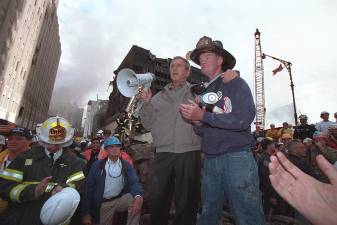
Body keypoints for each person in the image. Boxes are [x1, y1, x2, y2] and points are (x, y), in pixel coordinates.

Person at [180, 36, 265, 225]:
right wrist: (197, 123)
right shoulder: (201, 94)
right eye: (200, 57)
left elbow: (243, 119)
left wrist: (202, 117)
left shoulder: (235, 83)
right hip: (210, 159)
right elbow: (206, 130)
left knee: (247, 214)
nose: (202, 60)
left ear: (220, 60)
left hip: (237, 158)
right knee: (208, 213)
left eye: (207, 56)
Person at [139, 56, 202, 225]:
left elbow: (207, 119)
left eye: (179, 66)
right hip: (163, 152)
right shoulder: (158, 97)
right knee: (157, 198)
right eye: (172, 66)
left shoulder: (197, 93)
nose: (174, 69)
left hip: (189, 152)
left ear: (187, 72)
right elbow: (146, 123)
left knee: (186, 201)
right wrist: (146, 103)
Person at [0, 116, 86, 225]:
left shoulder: (74, 162)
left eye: (57, 142)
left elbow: (79, 184)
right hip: (23, 218)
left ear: (65, 141)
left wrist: (64, 189)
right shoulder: (24, 158)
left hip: (56, 219)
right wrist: (33, 191)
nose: (53, 146)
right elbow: (4, 187)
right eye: (49, 142)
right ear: (43, 138)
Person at [82, 136, 143, 225]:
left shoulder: (126, 165)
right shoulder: (97, 166)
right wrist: (86, 213)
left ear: (120, 149)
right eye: (111, 146)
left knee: (136, 199)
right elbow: (88, 189)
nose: (115, 149)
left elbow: (134, 181)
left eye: (117, 146)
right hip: (104, 203)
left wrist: (138, 197)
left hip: (119, 199)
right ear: (106, 150)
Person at [269, 151, 337, 225]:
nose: (304, 149)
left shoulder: (301, 159)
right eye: (300, 148)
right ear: (295, 149)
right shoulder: (294, 161)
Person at [0, 127, 32, 213]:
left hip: (16, 213)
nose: (13, 141)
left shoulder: (36, 163)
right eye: (10, 139)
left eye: (19, 139)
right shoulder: (1, 158)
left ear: (29, 141)